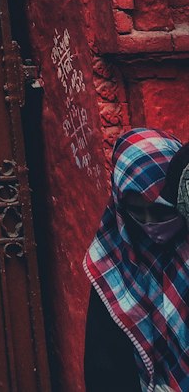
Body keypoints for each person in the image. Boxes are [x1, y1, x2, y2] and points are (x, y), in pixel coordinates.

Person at [84, 128, 189, 392]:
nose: (149, 224)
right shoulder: (112, 264)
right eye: (136, 211)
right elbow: (105, 365)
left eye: (158, 210)